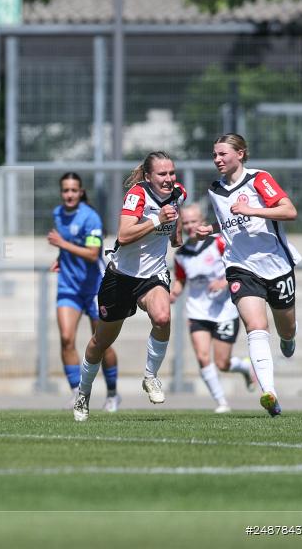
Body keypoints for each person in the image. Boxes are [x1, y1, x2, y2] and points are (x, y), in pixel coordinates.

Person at [73, 151, 186, 422]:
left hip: (153, 274)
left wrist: (181, 232)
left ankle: (150, 377)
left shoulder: (179, 192)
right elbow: (124, 235)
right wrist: (158, 219)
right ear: (148, 176)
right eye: (162, 174)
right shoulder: (137, 195)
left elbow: (175, 233)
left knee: (162, 316)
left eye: (171, 173)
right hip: (121, 276)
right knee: (100, 342)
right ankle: (83, 392)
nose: (169, 179)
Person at [192, 133, 300, 417]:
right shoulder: (215, 189)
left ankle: (289, 339)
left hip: (276, 264)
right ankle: (269, 393)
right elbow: (230, 224)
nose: (217, 159)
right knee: (256, 326)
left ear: (240, 154)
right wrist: (211, 229)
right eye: (214, 155)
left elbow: (289, 211)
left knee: (285, 328)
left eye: (223, 154)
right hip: (240, 265)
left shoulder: (258, 179)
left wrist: (251, 209)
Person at [169, 203, 254, 413]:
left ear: (203, 222)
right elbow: (180, 280)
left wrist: (224, 282)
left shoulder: (219, 243)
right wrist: (172, 293)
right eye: (185, 222)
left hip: (225, 310)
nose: (190, 226)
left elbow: (238, 265)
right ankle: (222, 402)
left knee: (222, 362)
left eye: (193, 221)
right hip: (198, 311)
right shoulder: (181, 254)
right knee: (202, 356)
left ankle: (243, 366)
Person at [47, 173, 120, 412]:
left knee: (102, 343)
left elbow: (92, 253)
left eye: (73, 190)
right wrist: (61, 258)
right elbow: (68, 247)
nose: (69, 195)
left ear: (81, 192)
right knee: (67, 339)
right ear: (62, 193)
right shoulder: (58, 214)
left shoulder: (91, 218)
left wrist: (62, 245)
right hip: (68, 286)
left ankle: (112, 394)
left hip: (95, 289)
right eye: (65, 190)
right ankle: (77, 393)